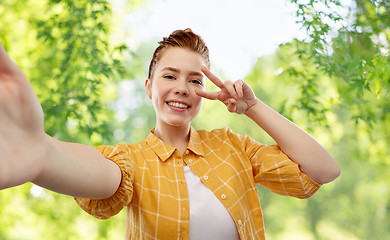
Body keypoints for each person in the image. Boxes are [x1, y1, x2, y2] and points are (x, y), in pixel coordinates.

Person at [0, 28, 340, 239]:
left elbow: (323, 170)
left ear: (206, 93)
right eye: (169, 76)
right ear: (149, 87)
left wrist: (252, 107)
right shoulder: (132, 162)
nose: (183, 88)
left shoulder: (234, 147)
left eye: (195, 80)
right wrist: (43, 154)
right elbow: (99, 174)